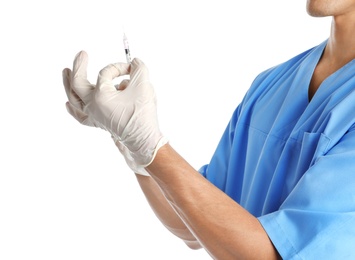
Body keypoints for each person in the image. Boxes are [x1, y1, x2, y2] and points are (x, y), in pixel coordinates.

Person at [62, 0, 355, 259]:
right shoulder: (270, 85)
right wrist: (131, 144)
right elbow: (193, 224)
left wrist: (150, 145)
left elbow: (270, 256)